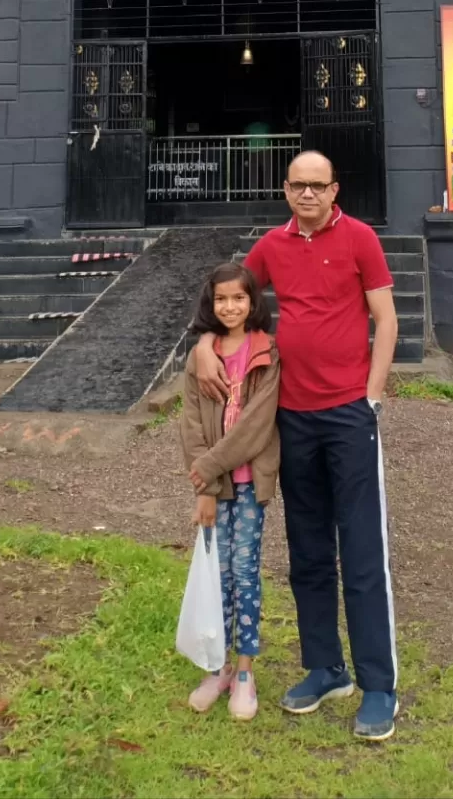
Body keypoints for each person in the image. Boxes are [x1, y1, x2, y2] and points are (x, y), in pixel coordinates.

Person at [194, 150, 400, 741]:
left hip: (348, 414)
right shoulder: (273, 247)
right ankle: (325, 668)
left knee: (361, 551)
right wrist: (206, 343)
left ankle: (378, 685)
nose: (307, 194)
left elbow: (385, 320)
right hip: (293, 418)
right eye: (297, 185)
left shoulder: (360, 238)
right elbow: (229, 297)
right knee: (308, 550)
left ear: (335, 190)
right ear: (285, 191)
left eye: (318, 186)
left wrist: (374, 394)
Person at [180, 263, 281, 721]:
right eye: (221, 299)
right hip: (214, 489)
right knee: (216, 576)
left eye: (239, 299)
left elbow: (257, 424)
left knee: (245, 572)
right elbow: (191, 424)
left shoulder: (267, 353)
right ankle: (217, 667)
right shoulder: (200, 355)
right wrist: (203, 483)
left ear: (252, 301)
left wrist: (209, 467)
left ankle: (245, 671)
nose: (230, 307)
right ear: (211, 302)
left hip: (248, 483)